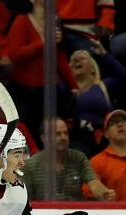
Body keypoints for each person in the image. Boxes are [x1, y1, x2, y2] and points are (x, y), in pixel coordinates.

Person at [7, 0, 78, 145]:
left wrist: (73, 85)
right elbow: (15, 55)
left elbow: (60, 58)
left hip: (51, 89)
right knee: (33, 136)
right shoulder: (22, 20)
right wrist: (44, 43)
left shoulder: (54, 22)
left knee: (56, 134)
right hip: (26, 92)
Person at [23, 117, 115, 201]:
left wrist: (105, 194)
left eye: (65, 133)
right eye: (57, 134)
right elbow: (25, 201)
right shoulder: (30, 166)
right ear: (44, 138)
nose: (63, 137)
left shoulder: (79, 158)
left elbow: (93, 183)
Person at [68, 42, 126, 155]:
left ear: (92, 68)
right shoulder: (64, 89)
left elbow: (123, 76)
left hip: (103, 139)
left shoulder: (103, 86)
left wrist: (104, 54)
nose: (77, 61)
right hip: (76, 141)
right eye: (73, 60)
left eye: (81, 58)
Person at [87, 109, 126, 200]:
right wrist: (102, 195)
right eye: (113, 123)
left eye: (124, 121)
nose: (120, 125)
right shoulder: (97, 162)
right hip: (114, 214)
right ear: (106, 134)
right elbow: (88, 195)